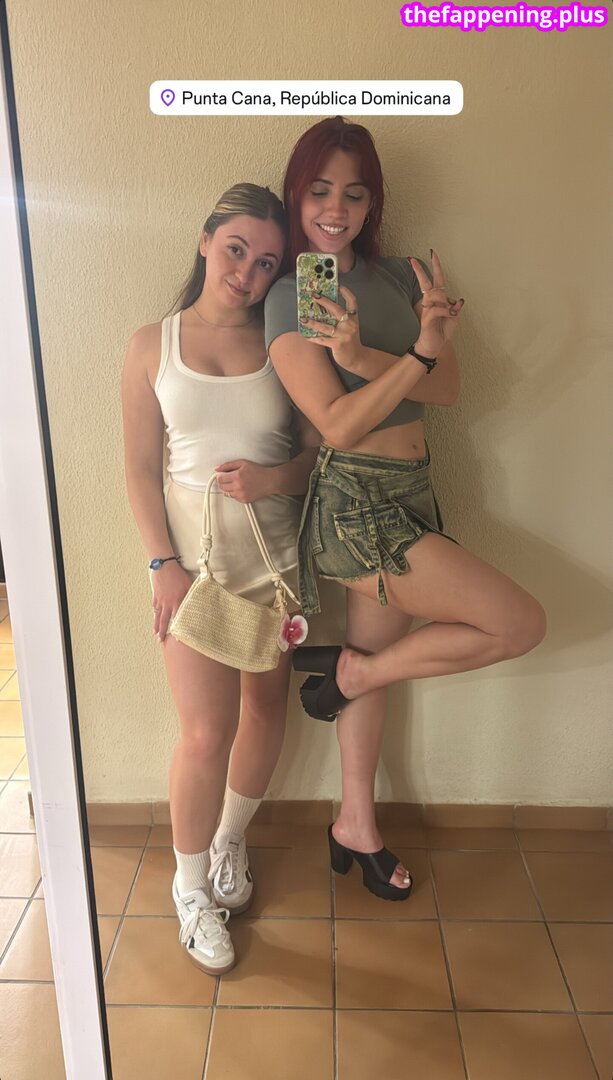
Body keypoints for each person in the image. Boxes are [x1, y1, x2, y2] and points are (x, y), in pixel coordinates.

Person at [264, 118, 546, 902]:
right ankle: (351, 673)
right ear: (296, 196)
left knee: (372, 661)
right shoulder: (290, 297)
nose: (336, 210)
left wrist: (380, 350)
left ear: (372, 203)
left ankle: (355, 822)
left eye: (354, 194)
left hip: (412, 489)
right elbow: (337, 423)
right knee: (518, 623)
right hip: (355, 502)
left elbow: (445, 390)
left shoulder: (396, 279)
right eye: (320, 191)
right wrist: (407, 355)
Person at [122, 184, 318, 973]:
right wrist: (160, 566)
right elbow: (140, 471)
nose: (247, 272)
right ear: (205, 240)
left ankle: (230, 838)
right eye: (236, 249)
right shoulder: (152, 345)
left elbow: (316, 453)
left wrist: (274, 480)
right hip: (191, 578)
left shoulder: (284, 342)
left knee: (264, 711)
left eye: (266, 263)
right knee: (206, 732)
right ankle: (190, 887)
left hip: (274, 568)